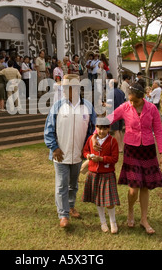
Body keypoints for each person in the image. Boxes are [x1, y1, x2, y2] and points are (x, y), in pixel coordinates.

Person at [100, 83, 162, 235]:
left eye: (135, 101)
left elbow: (159, 131)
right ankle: (130, 210)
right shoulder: (125, 107)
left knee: (145, 186)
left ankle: (144, 218)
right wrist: (97, 128)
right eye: (130, 100)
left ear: (142, 98)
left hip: (148, 150)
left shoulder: (152, 109)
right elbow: (110, 118)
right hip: (131, 149)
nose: (132, 103)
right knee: (133, 187)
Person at [44, 74, 97, 228]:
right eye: (64, 88)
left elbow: (92, 130)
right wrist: (54, 147)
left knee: (73, 184)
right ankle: (63, 214)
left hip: (78, 154)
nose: (66, 91)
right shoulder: (57, 106)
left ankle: (71, 206)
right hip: (60, 154)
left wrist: (86, 149)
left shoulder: (87, 106)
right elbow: (49, 129)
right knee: (61, 184)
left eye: (69, 88)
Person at [82, 117, 120, 234]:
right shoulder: (90, 139)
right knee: (98, 200)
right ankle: (103, 222)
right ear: (95, 128)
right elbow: (85, 151)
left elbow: (115, 158)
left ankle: (113, 221)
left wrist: (102, 159)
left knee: (109, 201)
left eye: (104, 129)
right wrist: (88, 156)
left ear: (109, 129)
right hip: (94, 173)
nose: (101, 131)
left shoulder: (113, 141)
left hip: (107, 174)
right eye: (99, 128)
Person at [105, 79, 126, 152]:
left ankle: (119, 148)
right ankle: (122, 146)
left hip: (114, 113)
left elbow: (110, 105)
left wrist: (103, 104)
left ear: (111, 84)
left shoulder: (110, 93)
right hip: (122, 112)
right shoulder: (121, 92)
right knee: (120, 130)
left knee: (116, 130)